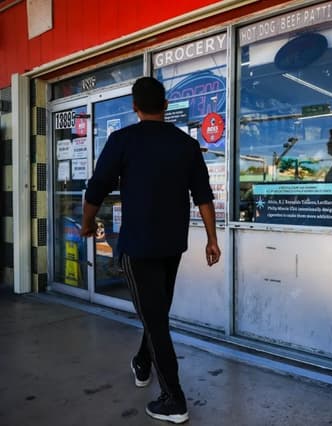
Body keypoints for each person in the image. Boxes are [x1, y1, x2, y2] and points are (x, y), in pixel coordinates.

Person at [80, 76, 221, 424]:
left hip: (138, 247)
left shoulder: (123, 140)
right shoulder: (186, 145)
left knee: (155, 319)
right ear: (166, 106)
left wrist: (86, 222)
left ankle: (174, 399)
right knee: (155, 313)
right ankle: (143, 363)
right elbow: (203, 194)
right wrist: (212, 239)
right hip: (172, 245)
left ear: (135, 107)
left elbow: (97, 186)